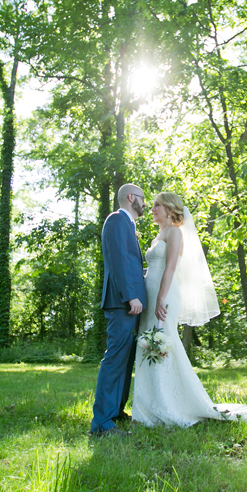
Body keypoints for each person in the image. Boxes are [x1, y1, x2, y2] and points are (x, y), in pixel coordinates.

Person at [132, 192, 247, 427]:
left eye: (157, 206)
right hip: (151, 296)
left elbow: (170, 269)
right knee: (147, 347)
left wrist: (161, 298)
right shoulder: (157, 237)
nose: (152, 209)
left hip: (165, 295)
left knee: (164, 344)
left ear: (170, 209)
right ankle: (146, 408)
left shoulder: (175, 233)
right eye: (152, 206)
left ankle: (173, 405)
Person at [90, 183, 147, 436]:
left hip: (131, 305)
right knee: (114, 360)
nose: (145, 204)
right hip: (122, 303)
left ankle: (116, 413)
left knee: (125, 362)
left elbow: (132, 266)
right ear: (131, 197)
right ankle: (101, 423)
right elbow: (118, 262)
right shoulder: (116, 220)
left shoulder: (129, 226)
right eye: (143, 199)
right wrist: (131, 297)